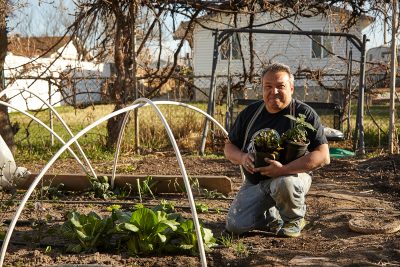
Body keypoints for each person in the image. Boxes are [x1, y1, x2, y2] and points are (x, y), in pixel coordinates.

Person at [224, 62, 330, 237]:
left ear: (291, 88)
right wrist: (243, 158)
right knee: (236, 226)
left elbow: (323, 156)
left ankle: (294, 218)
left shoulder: (304, 114)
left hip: (291, 178)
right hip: (256, 182)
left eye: (280, 86)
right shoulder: (250, 113)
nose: (273, 92)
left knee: (284, 182)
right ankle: (272, 217)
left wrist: (284, 169)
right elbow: (229, 147)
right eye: (268, 87)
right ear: (262, 89)